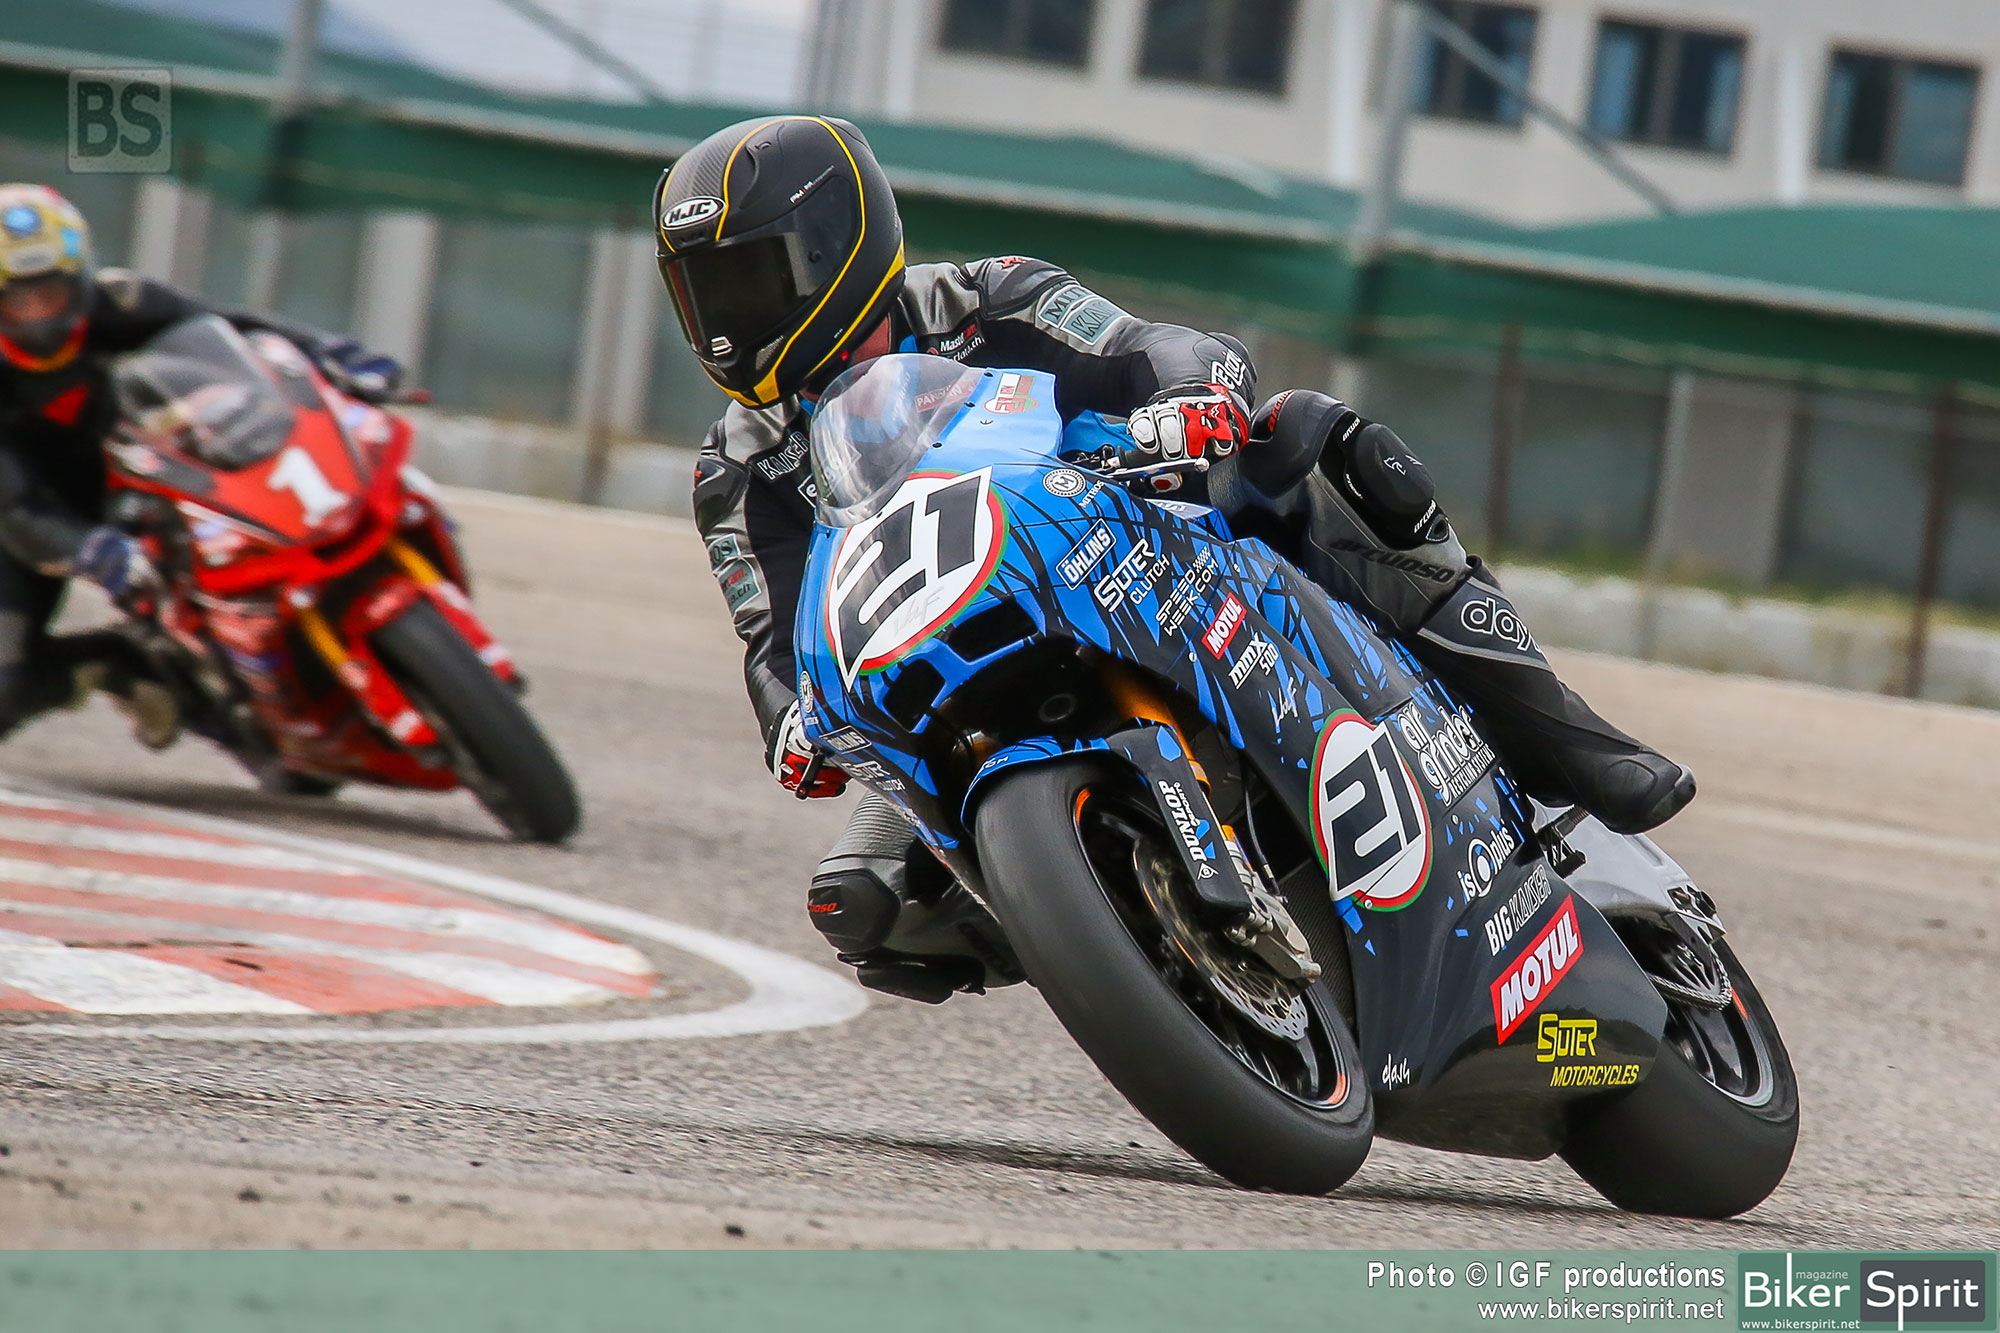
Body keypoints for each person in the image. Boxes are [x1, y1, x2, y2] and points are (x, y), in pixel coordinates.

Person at [657, 117, 1694, 1003]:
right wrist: (792, 722)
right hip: (946, 676)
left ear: (835, 245)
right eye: (702, 295)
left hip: (1136, 553)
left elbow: (1156, 348)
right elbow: (774, 642)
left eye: (747, 280)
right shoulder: (734, 472)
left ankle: (1558, 734)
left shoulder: (993, 298)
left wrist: (1189, 397)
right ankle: (1121, 922)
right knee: (865, 906)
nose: (726, 323)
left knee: (1311, 440)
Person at [0, 183, 403, 747]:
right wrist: (89, 550)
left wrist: (331, 353)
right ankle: (117, 664)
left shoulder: (120, 301)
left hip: (145, 473)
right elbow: (15, 508)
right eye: (16, 301)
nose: (39, 314)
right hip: (34, 517)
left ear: (81, 277)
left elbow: (230, 328)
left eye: (51, 293)